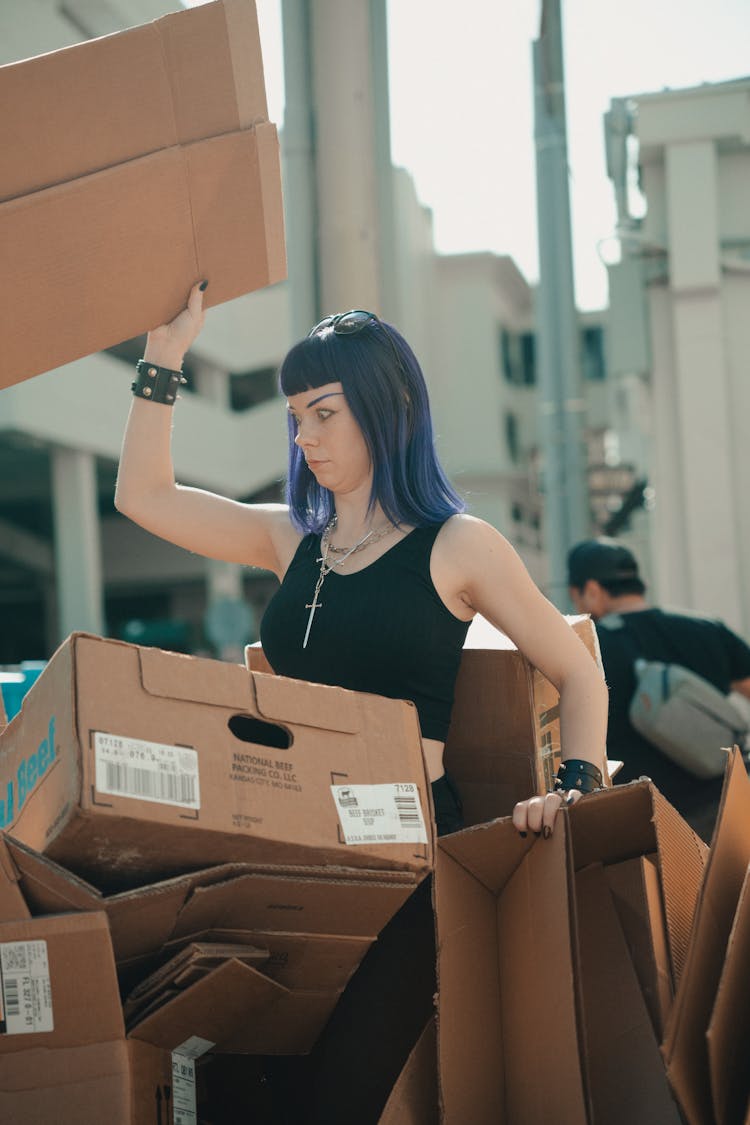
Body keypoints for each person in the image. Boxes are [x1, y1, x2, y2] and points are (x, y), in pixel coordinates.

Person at [115, 281, 609, 838]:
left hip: (407, 831)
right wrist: (163, 356)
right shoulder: (289, 538)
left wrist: (576, 787)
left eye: (324, 413)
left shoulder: (459, 544)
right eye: (296, 416)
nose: (304, 436)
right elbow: (143, 497)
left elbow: (579, 673)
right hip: (295, 825)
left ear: (387, 409)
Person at [567, 536, 750, 841]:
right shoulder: (707, 629)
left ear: (592, 590)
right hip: (726, 810)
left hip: (644, 822)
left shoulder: (587, 647)